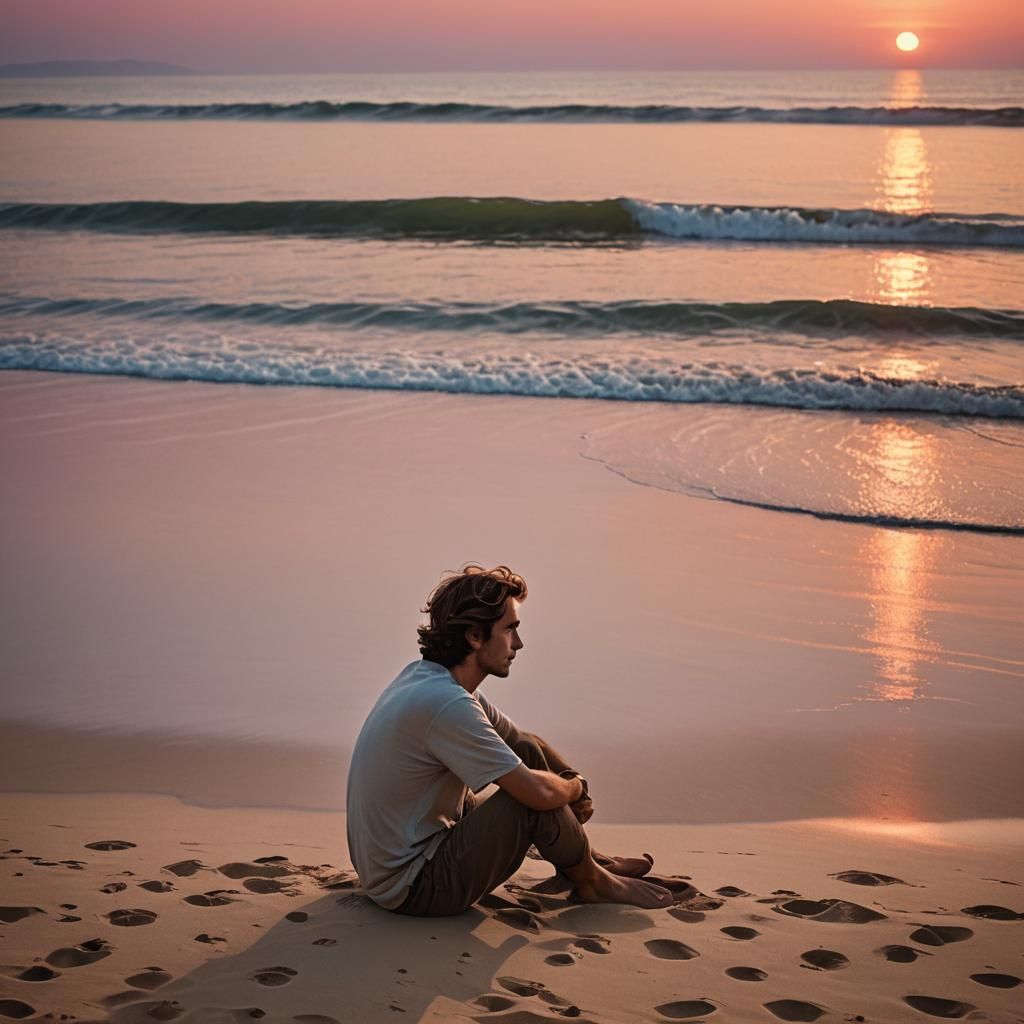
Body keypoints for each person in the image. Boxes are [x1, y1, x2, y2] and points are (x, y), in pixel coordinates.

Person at [346, 564, 673, 916]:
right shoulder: (446, 704)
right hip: (413, 886)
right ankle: (592, 880)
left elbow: (522, 742)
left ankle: (582, 858)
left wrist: (574, 782)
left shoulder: (430, 679)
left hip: (406, 850)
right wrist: (574, 788)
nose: (518, 643)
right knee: (528, 801)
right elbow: (539, 793)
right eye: (510, 630)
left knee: (527, 751)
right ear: (475, 636)